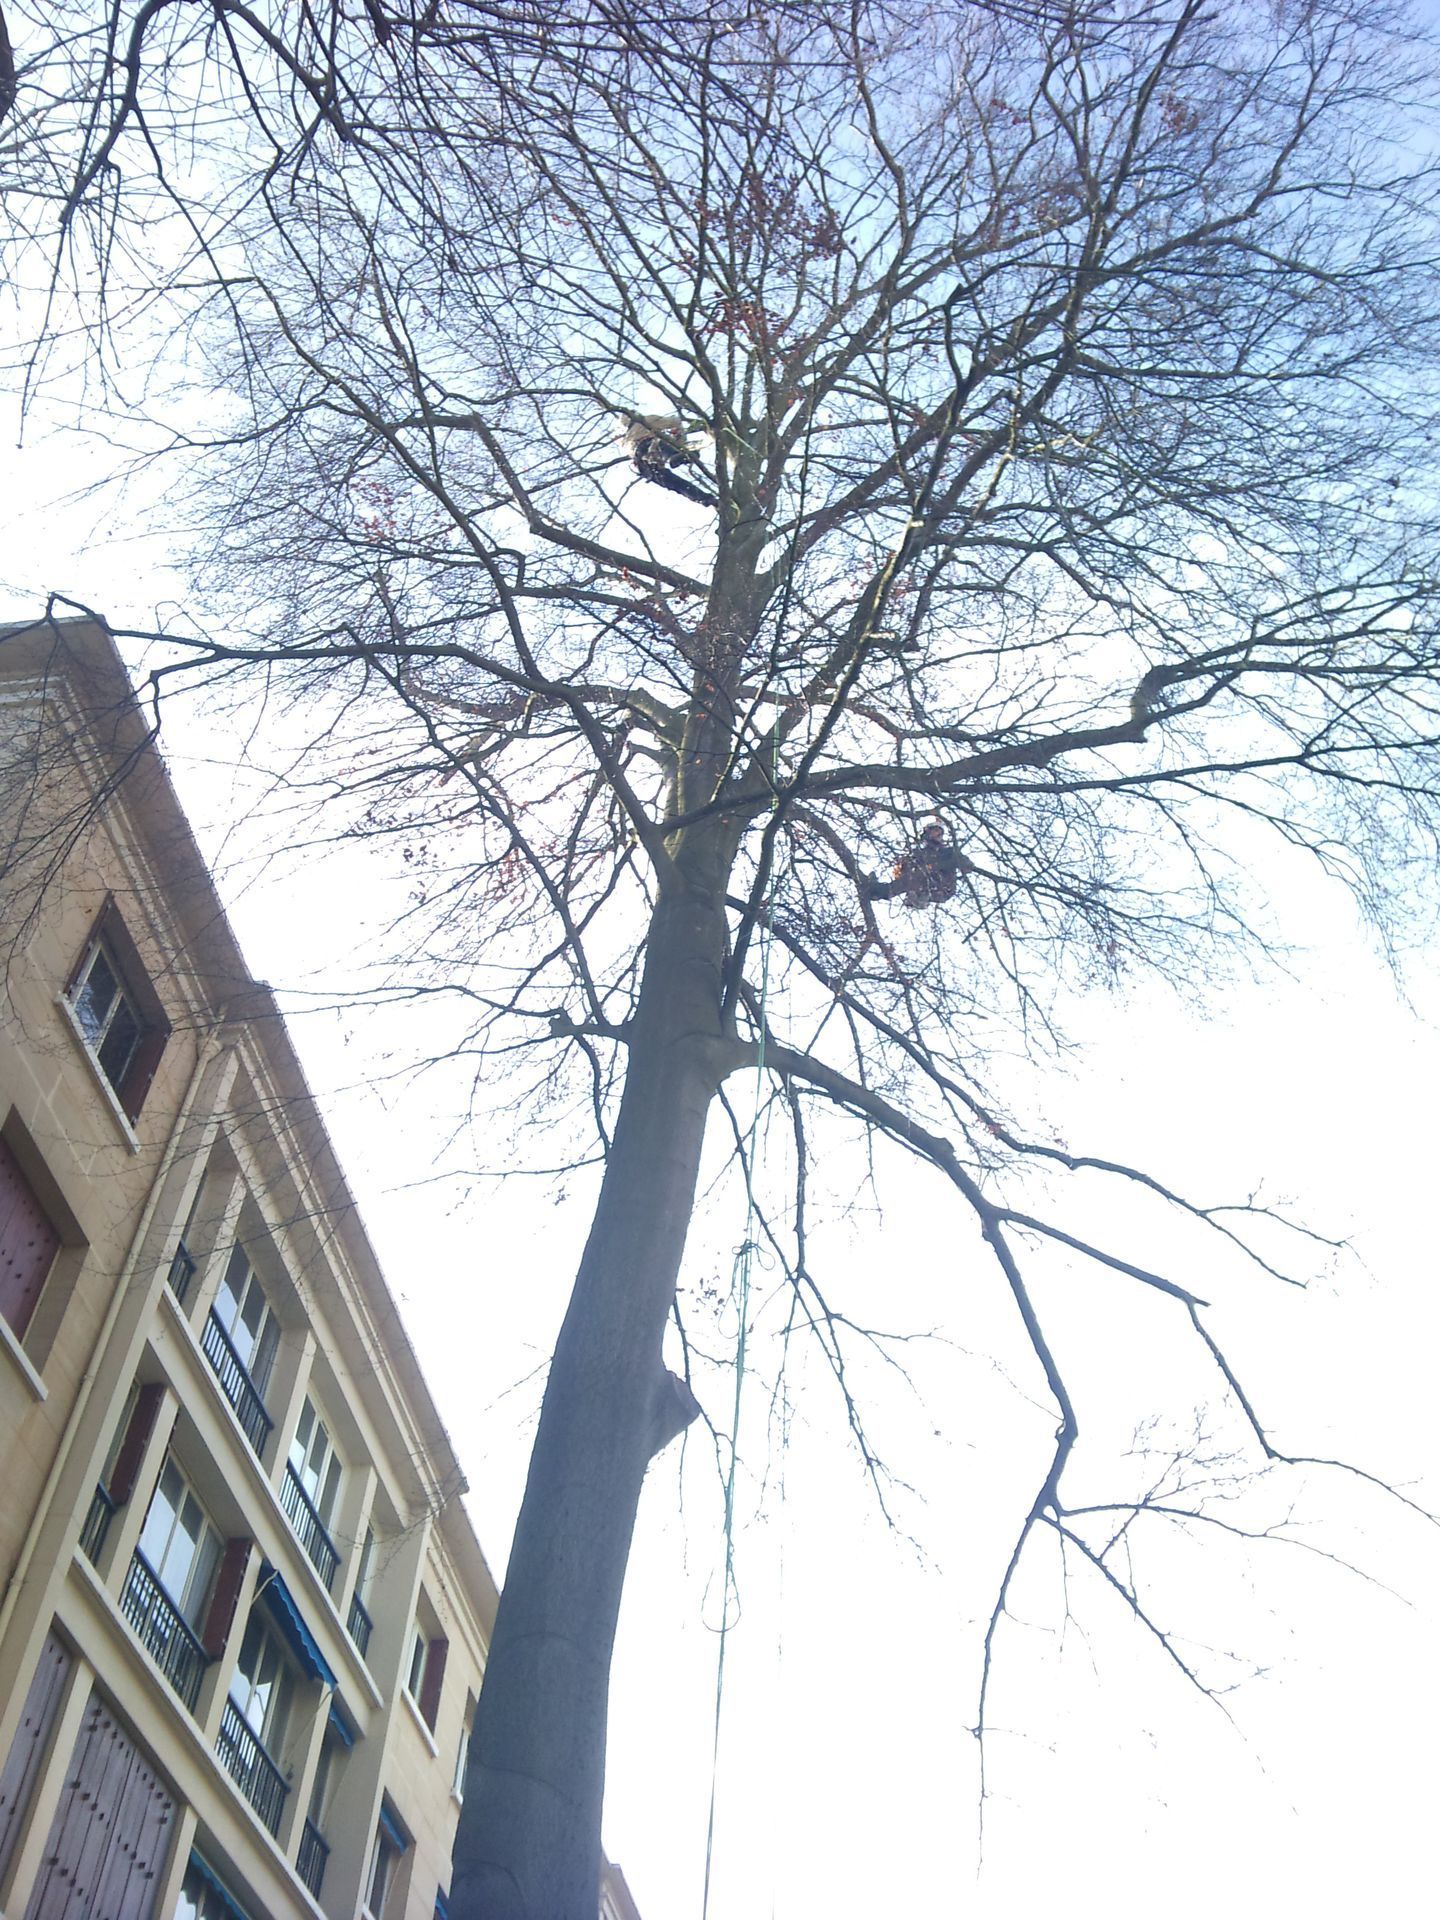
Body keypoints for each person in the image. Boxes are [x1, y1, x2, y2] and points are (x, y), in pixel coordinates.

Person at [860, 820, 970, 909]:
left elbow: (966, 864)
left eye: (938, 831)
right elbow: (904, 874)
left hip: (941, 887)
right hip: (920, 884)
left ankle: (921, 897)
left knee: (916, 877)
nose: (937, 834)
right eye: (934, 831)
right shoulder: (920, 853)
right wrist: (902, 866)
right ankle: (876, 891)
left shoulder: (949, 852)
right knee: (905, 880)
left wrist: (958, 864)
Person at [620, 412, 716, 507]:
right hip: (650, 447)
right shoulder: (645, 421)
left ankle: (703, 498)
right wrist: (680, 443)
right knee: (659, 445)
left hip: (643, 466)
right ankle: (675, 455)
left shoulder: (624, 442)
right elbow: (674, 421)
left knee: (675, 483)